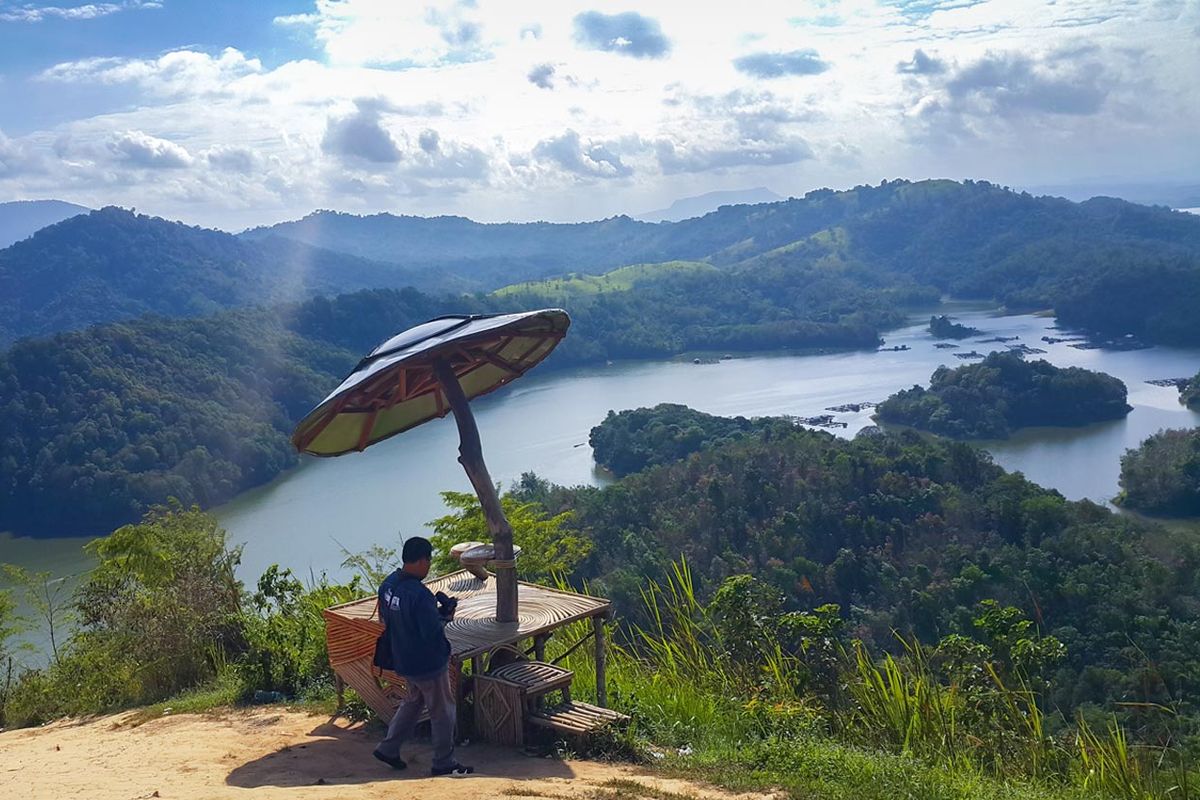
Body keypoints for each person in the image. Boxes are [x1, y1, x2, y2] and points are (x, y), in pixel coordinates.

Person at [373, 536, 474, 777]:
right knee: (442, 710)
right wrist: (445, 615)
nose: (429, 566)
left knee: (414, 701)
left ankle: (388, 748)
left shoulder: (388, 585)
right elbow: (431, 632)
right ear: (420, 561)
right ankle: (443, 762)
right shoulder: (420, 595)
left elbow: (384, 619)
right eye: (428, 561)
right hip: (426, 663)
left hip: (402, 658)